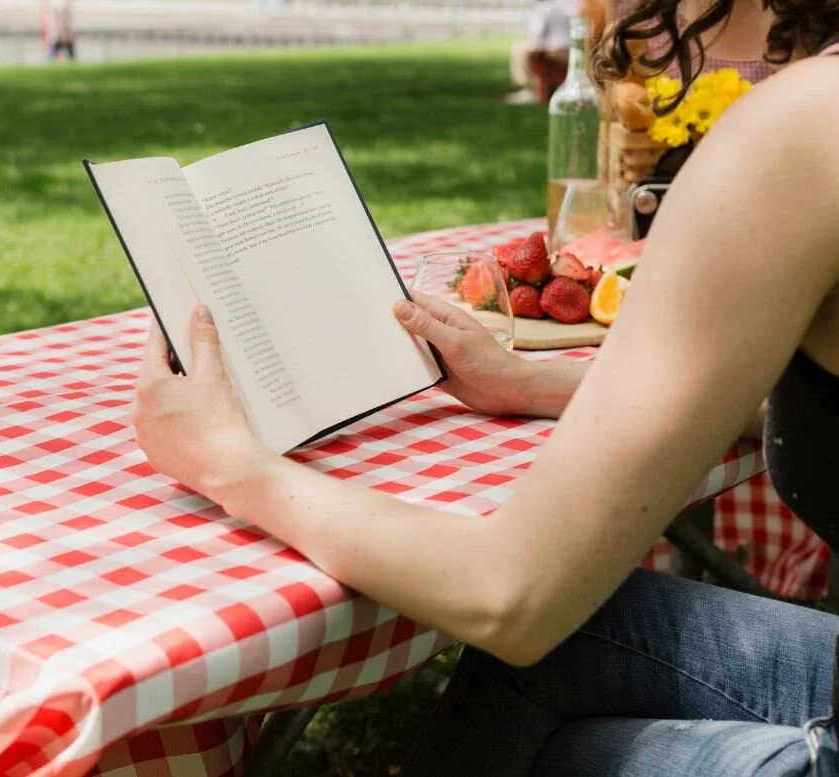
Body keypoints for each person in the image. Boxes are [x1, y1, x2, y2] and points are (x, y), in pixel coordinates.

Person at [132, 0, 839, 772]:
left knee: (549, 739)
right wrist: (532, 382)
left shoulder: (795, 129)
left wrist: (227, 463)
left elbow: (509, 594)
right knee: (572, 641)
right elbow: (781, 398)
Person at [507, 0, 574, 104]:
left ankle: (529, 88)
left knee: (518, 49)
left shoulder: (542, 10)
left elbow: (537, 36)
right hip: (570, 49)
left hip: (551, 51)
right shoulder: (569, 6)